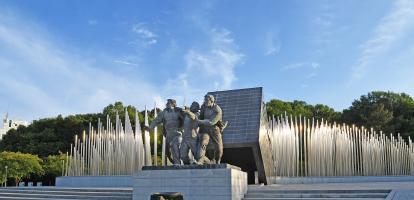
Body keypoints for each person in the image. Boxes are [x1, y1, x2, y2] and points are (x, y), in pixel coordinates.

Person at [147, 99, 184, 165]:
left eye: (168, 103)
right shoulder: (164, 113)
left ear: (173, 104)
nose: (166, 104)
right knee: (168, 153)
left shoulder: (178, 111)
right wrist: (150, 128)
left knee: (174, 145)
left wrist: (183, 128)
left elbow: (185, 119)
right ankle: (177, 161)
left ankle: (178, 163)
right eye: (167, 103)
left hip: (178, 133)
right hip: (169, 135)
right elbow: (156, 120)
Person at [197, 94, 226, 164]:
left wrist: (199, 121)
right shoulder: (203, 107)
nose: (205, 101)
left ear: (211, 100)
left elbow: (212, 122)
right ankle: (200, 160)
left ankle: (217, 161)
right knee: (203, 142)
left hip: (214, 130)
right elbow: (200, 118)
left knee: (219, 148)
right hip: (205, 129)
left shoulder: (217, 109)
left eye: (207, 100)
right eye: (205, 100)